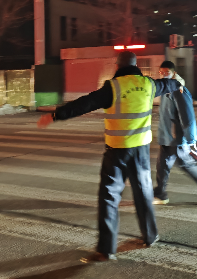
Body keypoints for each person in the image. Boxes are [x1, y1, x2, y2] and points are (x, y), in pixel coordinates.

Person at [37, 51, 182, 261]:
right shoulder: (149, 84)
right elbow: (169, 84)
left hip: (117, 151)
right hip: (140, 151)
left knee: (109, 197)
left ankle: (106, 250)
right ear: (136, 65)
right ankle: (150, 236)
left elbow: (85, 103)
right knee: (143, 194)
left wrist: (55, 115)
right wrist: (178, 84)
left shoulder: (113, 87)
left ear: (117, 66)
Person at [152, 61, 197, 205]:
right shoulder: (166, 89)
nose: (164, 75)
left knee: (186, 164)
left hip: (176, 138)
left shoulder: (179, 90)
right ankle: (160, 194)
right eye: (161, 72)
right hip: (166, 136)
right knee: (162, 166)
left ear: (174, 73)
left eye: (167, 72)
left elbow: (188, 116)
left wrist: (191, 139)